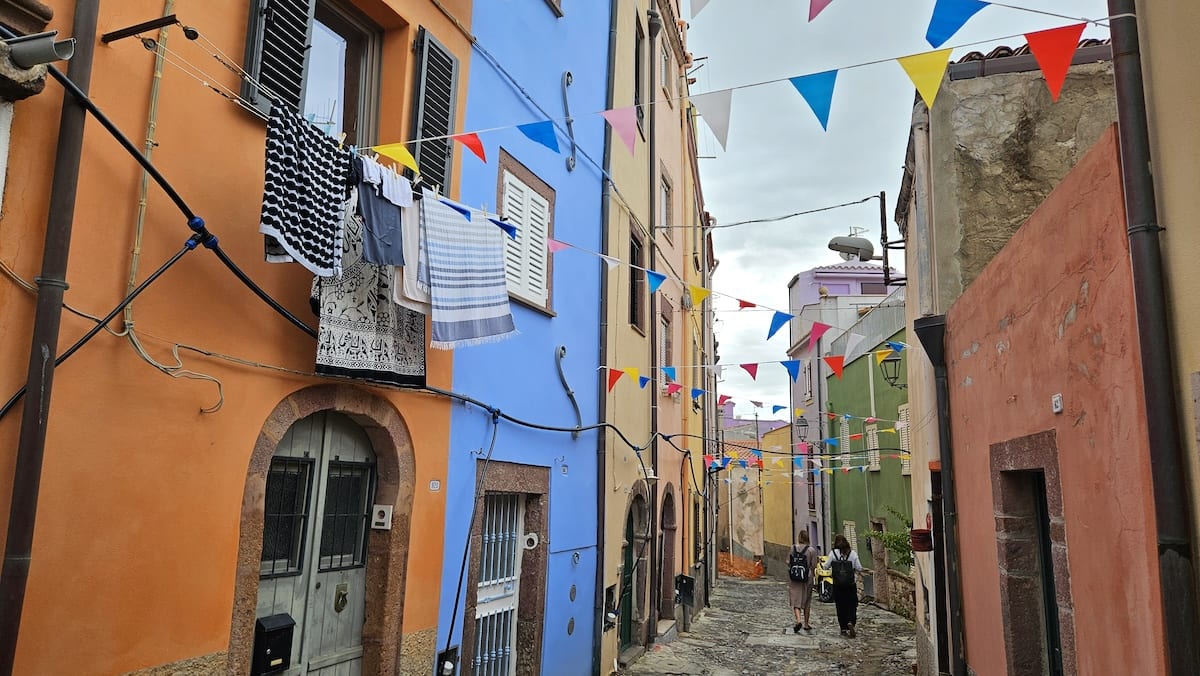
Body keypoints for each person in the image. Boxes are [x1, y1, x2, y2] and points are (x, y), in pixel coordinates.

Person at [822, 534, 863, 637]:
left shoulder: (833, 554)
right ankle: (851, 621)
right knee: (852, 605)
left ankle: (843, 628)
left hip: (838, 585)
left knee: (840, 606)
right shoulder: (852, 554)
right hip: (850, 585)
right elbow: (859, 568)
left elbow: (826, 567)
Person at [788, 531, 819, 633]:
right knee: (807, 601)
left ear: (799, 537)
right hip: (807, 577)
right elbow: (814, 565)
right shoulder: (811, 550)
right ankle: (806, 624)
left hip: (795, 577)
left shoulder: (793, 548)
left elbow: (788, 561)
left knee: (796, 600)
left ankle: (798, 620)